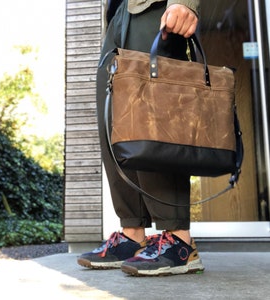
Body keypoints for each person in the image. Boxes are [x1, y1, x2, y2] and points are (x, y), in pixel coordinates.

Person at [77, 0, 204, 276]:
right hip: (118, 15)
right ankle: (133, 233)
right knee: (114, 122)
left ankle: (180, 240)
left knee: (154, 119)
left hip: (155, 8)